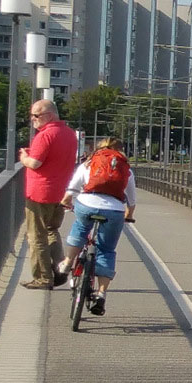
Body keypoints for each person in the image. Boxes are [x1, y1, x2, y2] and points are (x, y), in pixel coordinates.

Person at [61, 134, 135, 316]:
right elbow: (131, 200)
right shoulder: (125, 167)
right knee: (106, 249)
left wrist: (66, 200)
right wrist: (129, 215)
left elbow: (73, 187)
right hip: (114, 210)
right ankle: (101, 294)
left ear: (99, 147)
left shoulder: (89, 163)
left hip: (87, 204)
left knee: (80, 227)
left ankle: (67, 263)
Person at [18, 99, 78, 288]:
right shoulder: (69, 134)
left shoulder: (45, 135)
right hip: (61, 192)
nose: (32, 119)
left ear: (49, 115)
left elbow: (35, 163)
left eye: (36, 115)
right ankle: (60, 270)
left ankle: (43, 278)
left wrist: (24, 157)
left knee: (36, 236)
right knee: (52, 230)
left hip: (40, 192)